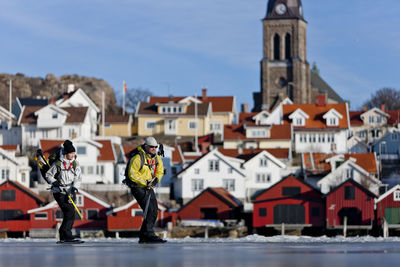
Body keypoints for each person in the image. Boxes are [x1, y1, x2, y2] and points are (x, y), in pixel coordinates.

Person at [126, 136, 166, 243]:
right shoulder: (138, 158)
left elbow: (160, 170)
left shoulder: (156, 158)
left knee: (154, 210)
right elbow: (132, 174)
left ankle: (144, 234)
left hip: (149, 186)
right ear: (146, 146)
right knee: (149, 210)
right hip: (138, 187)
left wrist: (156, 180)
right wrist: (145, 182)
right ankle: (148, 234)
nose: (154, 149)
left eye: (156, 147)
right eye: (152, 147)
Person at [46, 140, 83, 244]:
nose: (72, 155)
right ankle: (67, 235)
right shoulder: (58, 164)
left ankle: (63, 235)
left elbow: (78, 177)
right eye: (70, 153)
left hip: (70, 191)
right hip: (59, 191)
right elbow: (48, 175)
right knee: (69, 211)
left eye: (73, 153)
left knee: (70, 212)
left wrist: (75, 188)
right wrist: (54, 182)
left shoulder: (75, 163)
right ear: (66, 153)